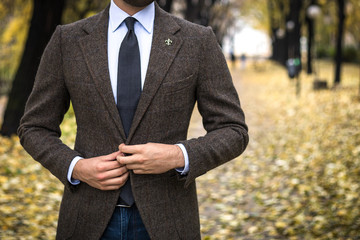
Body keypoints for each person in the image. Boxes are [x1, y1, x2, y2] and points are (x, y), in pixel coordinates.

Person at [18, 0, 249, 239]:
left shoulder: (197, 41)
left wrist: (178, 155)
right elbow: (34, 127)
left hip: (169, 221)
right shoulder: (68, 40)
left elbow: (233, 130)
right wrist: (76, 168)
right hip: (85, 219)